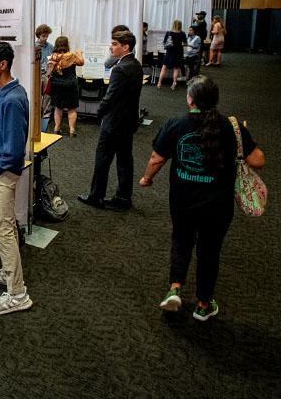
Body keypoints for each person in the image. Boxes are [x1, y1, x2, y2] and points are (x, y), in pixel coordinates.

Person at [139, 76, 265, 321]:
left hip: (182, 200)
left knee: (181, 240)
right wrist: (243, 139)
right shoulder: (232, 127)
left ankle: (174, 289)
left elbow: (156, 158)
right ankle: (203, 305)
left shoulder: (176, 123)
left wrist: (147, 179)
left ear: (190, 99)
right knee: (210, 250)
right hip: (217, 206)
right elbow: (258, 160)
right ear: (215, 100)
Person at [0, 41, 33, 315]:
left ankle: (17, 294)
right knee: (5, 227)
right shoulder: (7, 91)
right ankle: (8, 273)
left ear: (3, 65)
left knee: (5, 231)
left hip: (4, 173)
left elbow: (14, 149)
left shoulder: (12, 98)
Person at [78, 30, 143, 211]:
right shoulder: (136, 65)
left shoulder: (120, 69)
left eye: (114, 44)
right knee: (124, 161)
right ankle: (123, 198)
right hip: (128, 121)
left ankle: (96, 196)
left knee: (102, 160)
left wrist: (98, 114)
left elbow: (110, 97)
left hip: (113, 123)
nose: (111, 47)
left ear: (125, 47)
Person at [46, 36, 84, 136]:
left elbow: (48, 73)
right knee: (72, 108)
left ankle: (56, 129)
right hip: (71, 84)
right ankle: (71, 130)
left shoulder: (53, 57)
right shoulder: (72, 56)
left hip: (57, 85)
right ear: (67, 44)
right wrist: (79, 53)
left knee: (58, 108)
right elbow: (81, 62)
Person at [157, 20, 186, 90]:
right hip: (178, 53)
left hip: (169, 53)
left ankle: (159, 83)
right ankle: (173, 84)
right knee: (176, 69)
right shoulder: (182, 34)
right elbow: (185, 43)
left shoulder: (169, 33)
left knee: (164, 68)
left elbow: (164, 42)